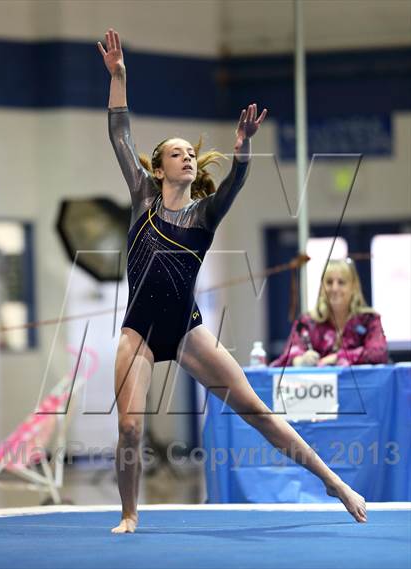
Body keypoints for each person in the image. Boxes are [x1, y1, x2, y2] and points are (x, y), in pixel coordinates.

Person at [97, 28, 367, 534]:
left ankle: (334, 482)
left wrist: (242, 148)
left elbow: (236, 182)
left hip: (186, 330)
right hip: (138, 331)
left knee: (258, 414)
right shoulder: (143, 200)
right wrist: (119, 78)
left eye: (189, 153)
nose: (187, 157)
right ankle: (130, 513)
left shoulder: (203, 217)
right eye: (175, 154)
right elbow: (119, 135)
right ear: (157, 170)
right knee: (130, 427)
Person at [271, 258, 388, 367]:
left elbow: (378, 353)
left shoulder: (369, 320)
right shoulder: (307, 322)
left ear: (354, 287)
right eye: (329, 282)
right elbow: (287, 357)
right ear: (322, 287)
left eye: (341, 282)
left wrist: (337, 357)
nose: (334, 288)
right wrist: (301, 360)